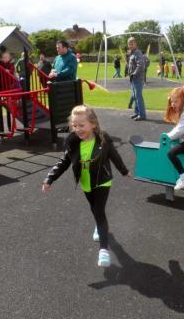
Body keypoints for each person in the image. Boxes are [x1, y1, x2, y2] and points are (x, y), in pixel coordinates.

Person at [42, 105, 130, 268]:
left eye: (82, 125)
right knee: (93, 208)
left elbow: (114, 155)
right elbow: (64, 162)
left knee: (99, 210)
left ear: (93, 124)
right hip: (85, 182)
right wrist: (50, 178)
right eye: (74, 126)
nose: (77, 129)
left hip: (102, 180)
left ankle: (103, 250)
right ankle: (98, 225)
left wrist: (124, 171)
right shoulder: (73, 142)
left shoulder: (103, 139)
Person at [127, 37, 146, 121]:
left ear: (135, 44)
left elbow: (141, 65)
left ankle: (142, 115)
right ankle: (137, 113)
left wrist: (134, 74)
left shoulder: (137, 53)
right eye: (129, 44)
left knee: (138, 97)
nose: (130, 45)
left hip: (137, 78)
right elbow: (131, 65)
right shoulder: (132, 53)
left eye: (132, 43)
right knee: (135, 96)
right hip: (133, 79)